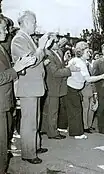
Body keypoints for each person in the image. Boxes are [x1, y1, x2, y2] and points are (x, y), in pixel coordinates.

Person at [11, 10, 54, 164]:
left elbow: (36, 58)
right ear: (27, 22)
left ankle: (34, 146)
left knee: (35, 120)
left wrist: (43, 47)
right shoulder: (18, 40)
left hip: (34, 85)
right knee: (29, 122)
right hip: (28, 86)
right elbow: (31, 60)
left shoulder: (26, 38)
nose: (36, 25)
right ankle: (28, 153)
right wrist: (41, 47)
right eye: (35, 22)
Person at [0, 13, 36, 173]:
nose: (7, 31)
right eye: (3, 28)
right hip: (1, 102)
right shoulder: (14, 41)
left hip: (5, 100)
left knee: (4, 141)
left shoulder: (1, 47)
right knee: (1, 143)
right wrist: (16, 69)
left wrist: (17, 68)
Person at [66, 41, 104, 139]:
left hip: (73, 89)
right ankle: (77, 133)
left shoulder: (77, 60)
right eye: (87, 52)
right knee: (76, 111)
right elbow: (88, 79)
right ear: (80, 52)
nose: (89, 54)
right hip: (72, 89)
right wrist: (102, 76)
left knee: (75, 111)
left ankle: (75, 132)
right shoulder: (80, 63)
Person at [42, 34, 80, 139]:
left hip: (58, 86)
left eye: (57, 40)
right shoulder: (48, 54)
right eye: (55, 41)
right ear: (49, 43)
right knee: (52, 111)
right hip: (52, 86)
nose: (58, 43)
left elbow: (60, 67)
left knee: (52, 110)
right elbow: (55, 72)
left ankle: (48, 129)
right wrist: (70, 70)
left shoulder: (57, 52)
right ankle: (52, 133)